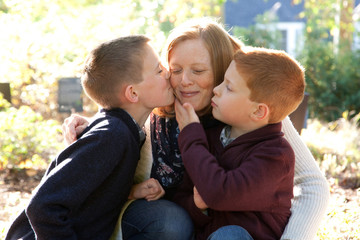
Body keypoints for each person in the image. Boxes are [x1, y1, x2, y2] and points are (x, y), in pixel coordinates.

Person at [62, 18, 330, 240]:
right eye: (175, 69)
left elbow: (313, 185)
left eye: (199, 70)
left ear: (223, 72)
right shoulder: (163, 103)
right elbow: (126, 103)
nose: (184, 82)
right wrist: (95, 123)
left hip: (225, 230)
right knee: (172, 222)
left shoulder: (252, 113)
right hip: (158, 221)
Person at [5, 35, 174, 240]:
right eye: (158, 70)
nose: (167, 73)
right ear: (133, 93)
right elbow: (42, 206)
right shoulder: (112, 135)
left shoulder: (122, 130)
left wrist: (129, 191)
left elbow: (92, 190)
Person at [173, 46, 306, 239]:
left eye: (228, 87)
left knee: (230, 235)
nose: (216, 90)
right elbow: (182, 195)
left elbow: (220, 193)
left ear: (258, 112)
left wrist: (191, 136)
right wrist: (197, 207)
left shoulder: (275, 156)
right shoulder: (211, 136)